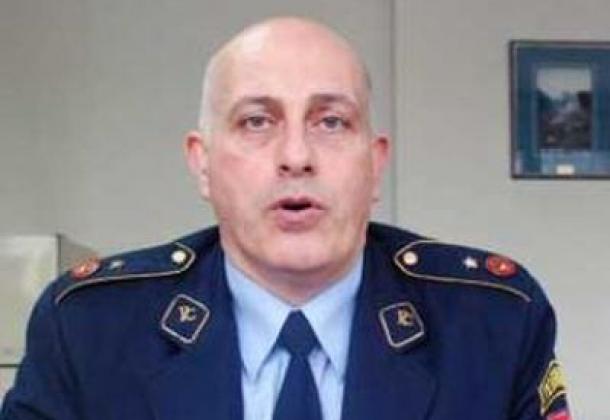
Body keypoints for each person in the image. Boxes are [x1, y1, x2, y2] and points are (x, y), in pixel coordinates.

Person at [1, 17, 571, 420]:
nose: (296, 156)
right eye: (256, 121)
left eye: (330, 122)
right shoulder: (88, 330)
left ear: (375, 165)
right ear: (202, 163)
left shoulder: (494, 324)